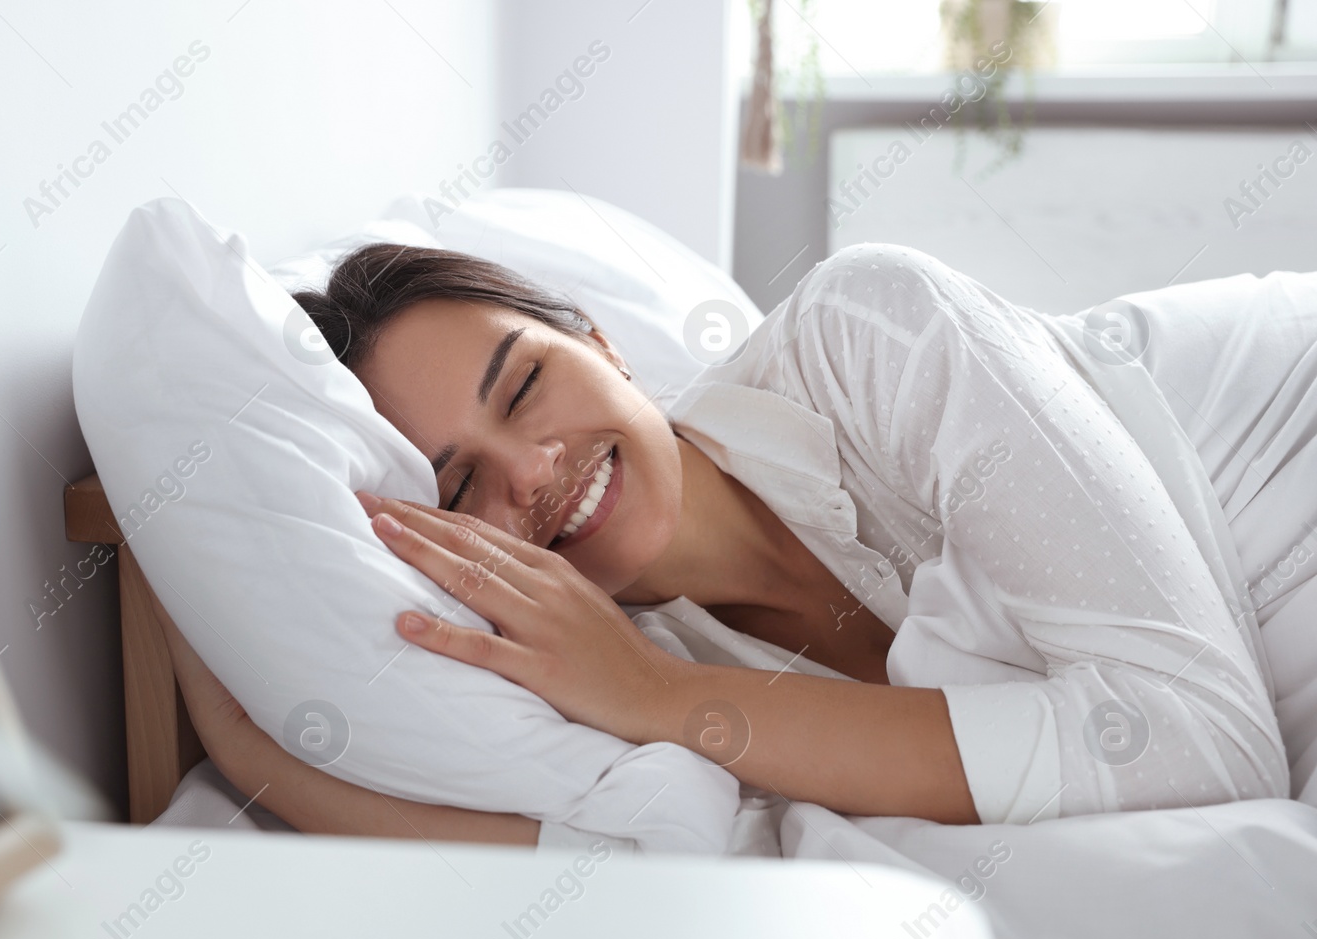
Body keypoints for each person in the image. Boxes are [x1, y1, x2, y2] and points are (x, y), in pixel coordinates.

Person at [152, 242, 1315, 846]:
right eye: (463, 485)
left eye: (527, 387)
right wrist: (246, 732)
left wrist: (662, 693)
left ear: (602, 341)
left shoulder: (871, 331)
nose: (535, 471)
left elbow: (1203, 749)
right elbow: (626, 857)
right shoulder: (601, 659)